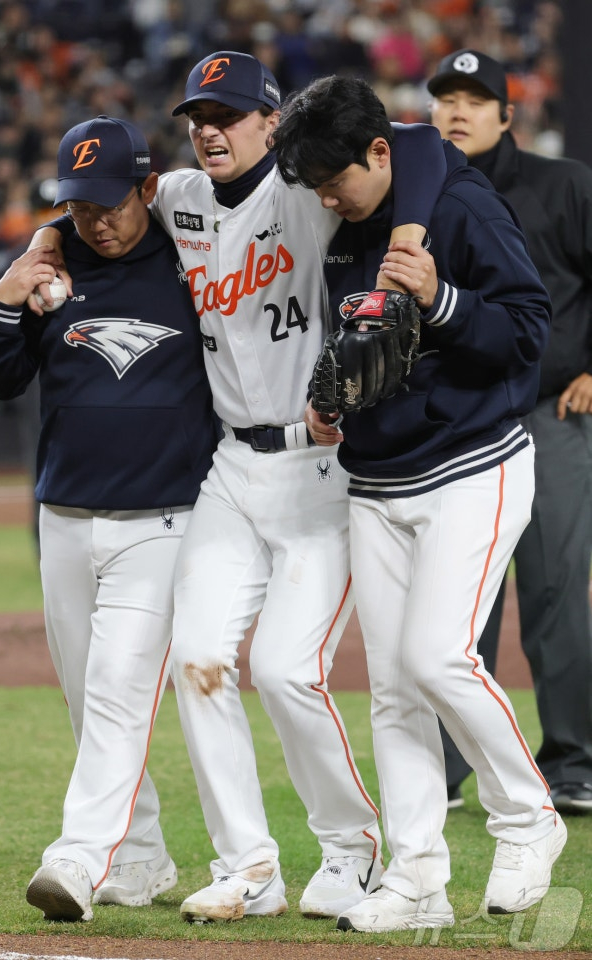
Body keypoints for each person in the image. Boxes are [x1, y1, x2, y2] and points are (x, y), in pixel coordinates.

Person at [29, 50, 448, 924]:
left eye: (228, 113)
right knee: (198, 662)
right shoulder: (175, 196)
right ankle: (248, 863)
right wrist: (41, 239)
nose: (209, 129)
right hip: (230, 464)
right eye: (196, 116)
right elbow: (82, 215)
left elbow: (413, 146)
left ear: (270, 120)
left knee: (287, 674)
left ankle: (349, 847)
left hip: (321, 466)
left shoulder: (304, 189)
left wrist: (405, 237)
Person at [271, 73, 565, 934]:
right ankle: (416, 878)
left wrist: (440, 300)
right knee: (395, 691)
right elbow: (366, 338)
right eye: (315, 186)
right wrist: (335, 400)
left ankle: (527, 818)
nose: (327, 198)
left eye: (338, 179)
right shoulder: (346, 220)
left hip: (475, 463)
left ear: (377, 153)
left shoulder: (463, 209)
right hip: (376, 478)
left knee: (440, 659)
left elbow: (525, 330)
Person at [0, 116, 220, 923]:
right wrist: (6, 297)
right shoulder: (53, 262)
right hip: (67, 515)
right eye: (78, 205)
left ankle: (76, 857)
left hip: (166, 516)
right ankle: (140, 857)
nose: (95, 219)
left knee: (116, 691)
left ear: (147, 188)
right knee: (86, 696)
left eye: (110, 202)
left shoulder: (194, 260)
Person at [427, 48, 592, 815]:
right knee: (460, 604)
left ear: (505, 115)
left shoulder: (564, 185)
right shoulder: (416, 192)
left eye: (474, 98)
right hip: (459, 424)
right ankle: (450, 770)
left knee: (554, 594)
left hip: (549, 414)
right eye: (445, 98)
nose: (456, 110)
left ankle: (573, 765)